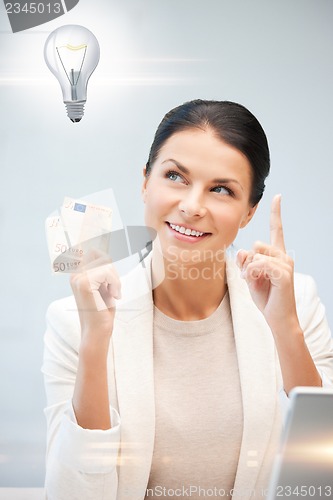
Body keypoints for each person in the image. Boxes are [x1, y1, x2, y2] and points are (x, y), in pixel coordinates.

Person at [42, 100, 333, 500]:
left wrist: (285, 327)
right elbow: (73, 495)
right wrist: (95, 341)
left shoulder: (296, 302)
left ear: (249, 212)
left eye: (221, 189)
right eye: (175, 176)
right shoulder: (72, 322)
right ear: (145, 182)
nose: (192, 206)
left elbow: (319, 478)